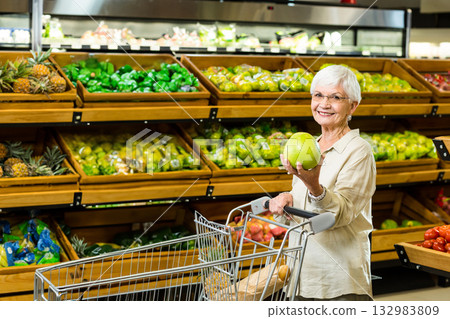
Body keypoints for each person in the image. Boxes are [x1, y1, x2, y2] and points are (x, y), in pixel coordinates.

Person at [269, 64, 376, 301]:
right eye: (318, 95)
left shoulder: (359, 151)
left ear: (353, 106)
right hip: (300, 274)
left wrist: (313, 186)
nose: (324, 104)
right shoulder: (311, 146)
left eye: (335, 97)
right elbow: (305, 209)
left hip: (339, 280)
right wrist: (288, 199)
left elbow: (343, 213)